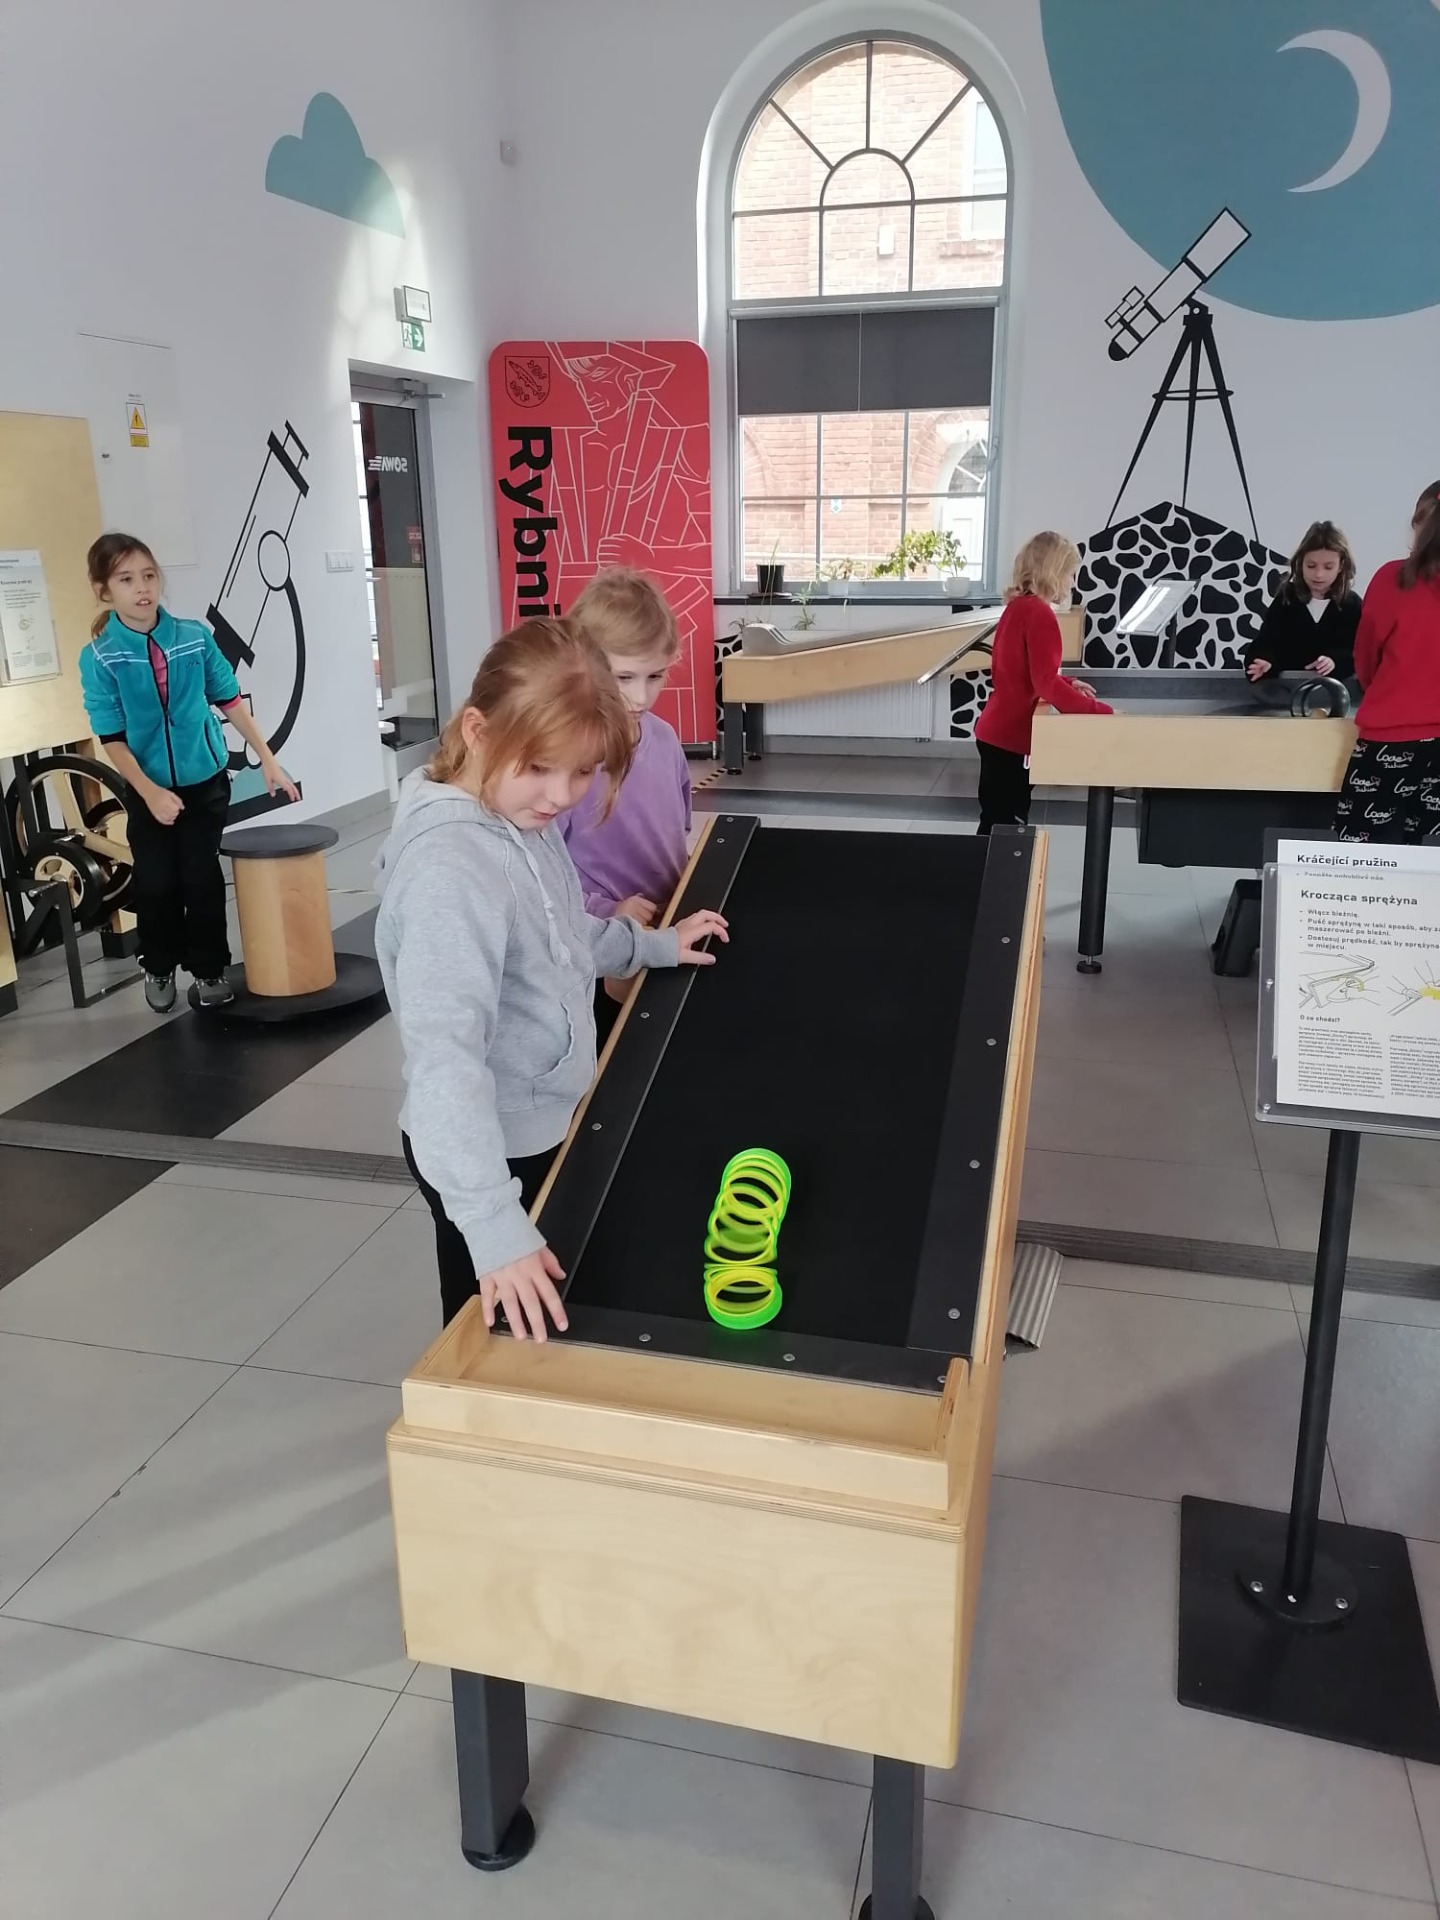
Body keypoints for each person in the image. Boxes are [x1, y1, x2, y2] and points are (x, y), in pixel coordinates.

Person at [374, 617, 728, 1338]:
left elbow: (558, 934)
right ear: (478, 730)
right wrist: (492, 1223)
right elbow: (445, 1061)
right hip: (489, 1146)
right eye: (540, 767)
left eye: (583, 771)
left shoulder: (515, 820)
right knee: (496, 1336)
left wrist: (650, 947)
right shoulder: (452, 869)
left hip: (535, 1121)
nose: (561, 795)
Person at [78, 532, 298, 1013]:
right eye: (126, 579)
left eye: (149, 576)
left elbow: (229, 699)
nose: (142, 588)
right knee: (157, 883)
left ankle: (209, 969)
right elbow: (111, 736)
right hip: (146, 787)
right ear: (103, 590)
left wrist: (268, 759)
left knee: (201, 880)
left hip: (205, 781)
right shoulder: (100, 657)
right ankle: (158, 965)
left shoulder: (194, 637)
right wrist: (150, 792)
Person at [559, 568, 692, 1049]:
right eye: (624, 678)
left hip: (670, 925)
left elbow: (676, 832)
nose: (641, 697)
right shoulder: (565, 763)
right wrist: (609, 910)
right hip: (606, 947)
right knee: (613, 1063)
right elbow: (542, 876)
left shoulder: (666, 739)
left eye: (655, 676)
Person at [974, 531, 1112, 833]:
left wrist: (1067, 682)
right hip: (1010, 737)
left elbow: (1025, 672)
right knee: (1006, 829)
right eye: (1070, 574)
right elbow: (1045, 683)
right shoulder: (1040, 614)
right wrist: (1102, 712)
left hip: (995, 731)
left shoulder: (1018, 606)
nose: (1072, 583)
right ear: (1054, 571)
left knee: (994, 822)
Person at [1334, 483, 1440, 843]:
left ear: (1419, 525)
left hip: (1390, 742)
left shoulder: (1392, 578)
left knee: (1365, 860)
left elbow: (1366, 660)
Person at [1244, 520, 1361, 707]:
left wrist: (1335, 662)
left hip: (1335, 697)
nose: (1319, 574)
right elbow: (1266, 643)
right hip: (1286, 697)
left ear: (1341, 566)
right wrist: (1265, 662)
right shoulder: (1286, 598)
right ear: (1300, 563)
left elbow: (1359, 653)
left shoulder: (1352, 604)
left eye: (1328, 567)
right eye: (1311, 566)